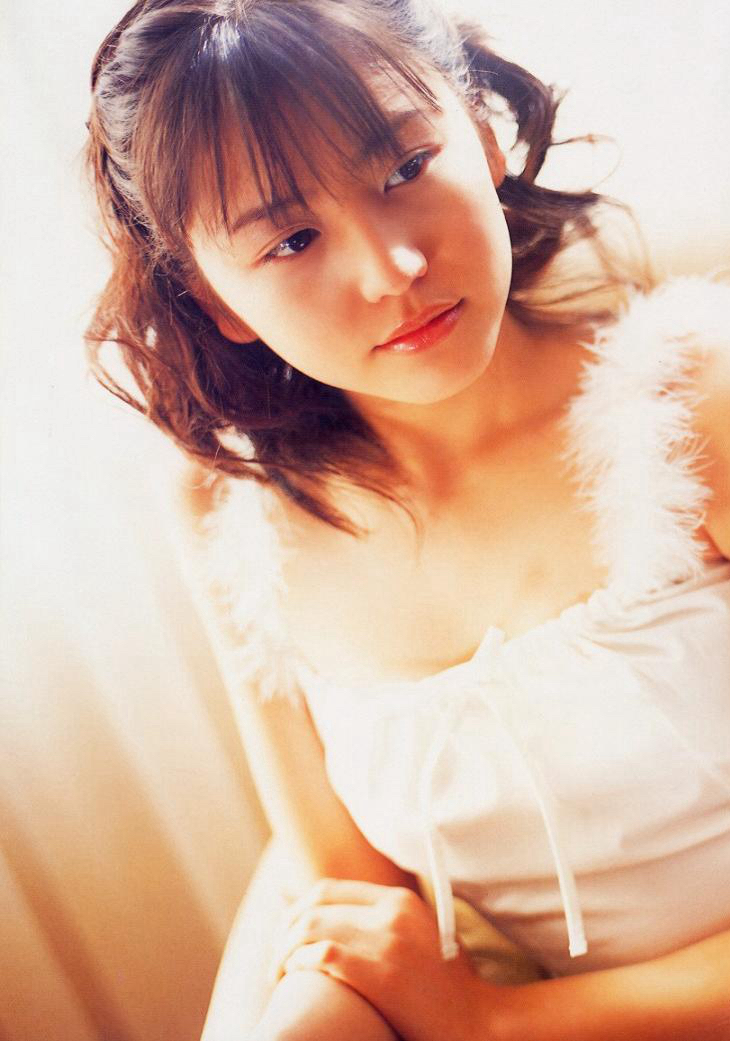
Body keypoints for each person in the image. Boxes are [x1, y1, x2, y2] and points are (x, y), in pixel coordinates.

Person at [84, 1, 730, 1038]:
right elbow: (351, 900)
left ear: (481, 135)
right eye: (292, 239)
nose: (394, 269)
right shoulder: (233, 514)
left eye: (405, 169)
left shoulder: (695, 398)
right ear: (214, 300)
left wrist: (496, 1023)